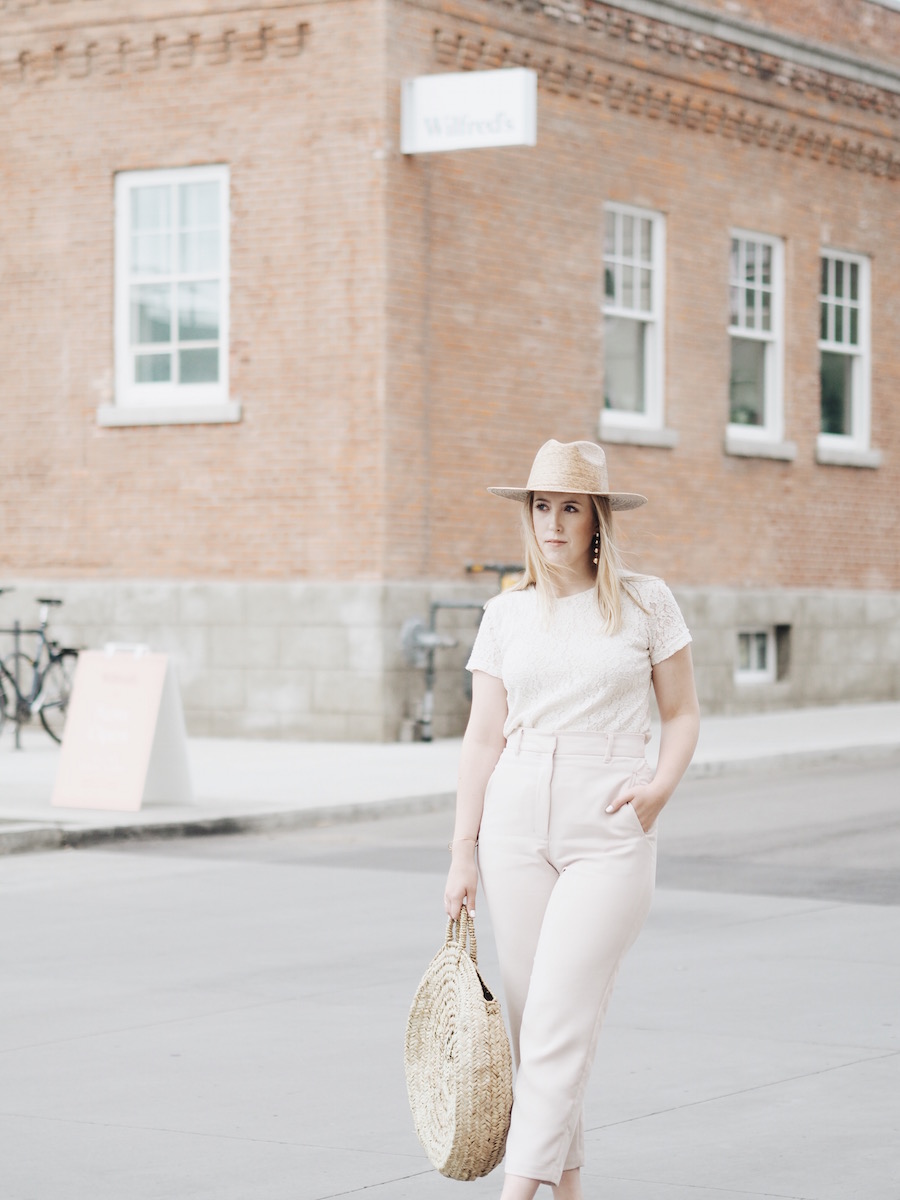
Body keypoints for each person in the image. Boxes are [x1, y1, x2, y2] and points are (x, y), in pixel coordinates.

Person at [444, 439, 700, 1200]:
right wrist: (463, 851)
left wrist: (659, 788)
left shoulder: (647, 601)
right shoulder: (506, 613)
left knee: (558, 1022)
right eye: (541, 506)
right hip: (515, 818)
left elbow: (682, 714)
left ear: (597, 520)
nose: (552, 522)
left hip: (608, 821)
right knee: (537, 1030)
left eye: (569, 507)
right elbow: (482, 736)